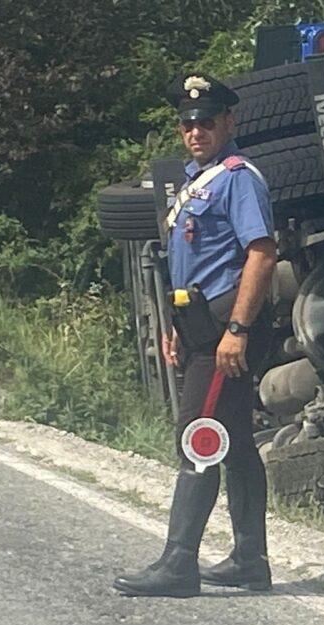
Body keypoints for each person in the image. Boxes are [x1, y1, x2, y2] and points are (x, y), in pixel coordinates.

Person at [113, 72, 277, 598]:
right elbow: (187, 266)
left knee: (198, 438)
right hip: (200, 329)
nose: (195, 132)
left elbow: (261, 253)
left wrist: (237, 330)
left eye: (206, 122)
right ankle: (251, 559)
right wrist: (176, 327)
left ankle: (179, 562)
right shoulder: (193, 180)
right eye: (188, 124)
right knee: (237, 446)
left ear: (229, 121)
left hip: (226, 334)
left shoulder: (237, 178)